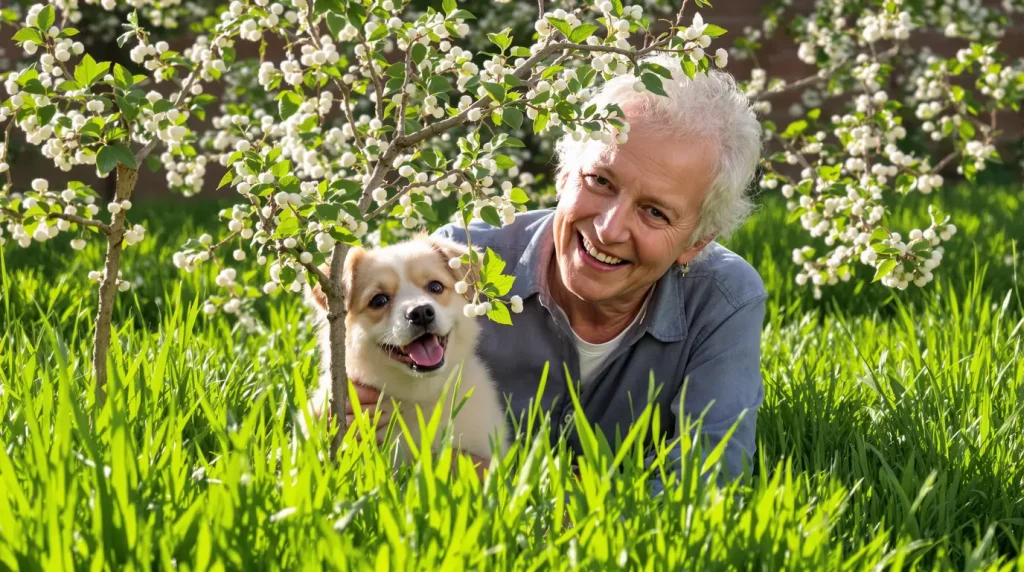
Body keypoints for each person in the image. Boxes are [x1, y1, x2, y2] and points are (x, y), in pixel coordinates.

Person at [344, 54, 766, 492]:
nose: (608, 229)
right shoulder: (455, 268)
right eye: (600, 181)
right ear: (564, 174)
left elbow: (709, 483)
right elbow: (379, 442)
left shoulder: (724, 299)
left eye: (655, 212)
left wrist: (500, 483)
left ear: (697, 241)